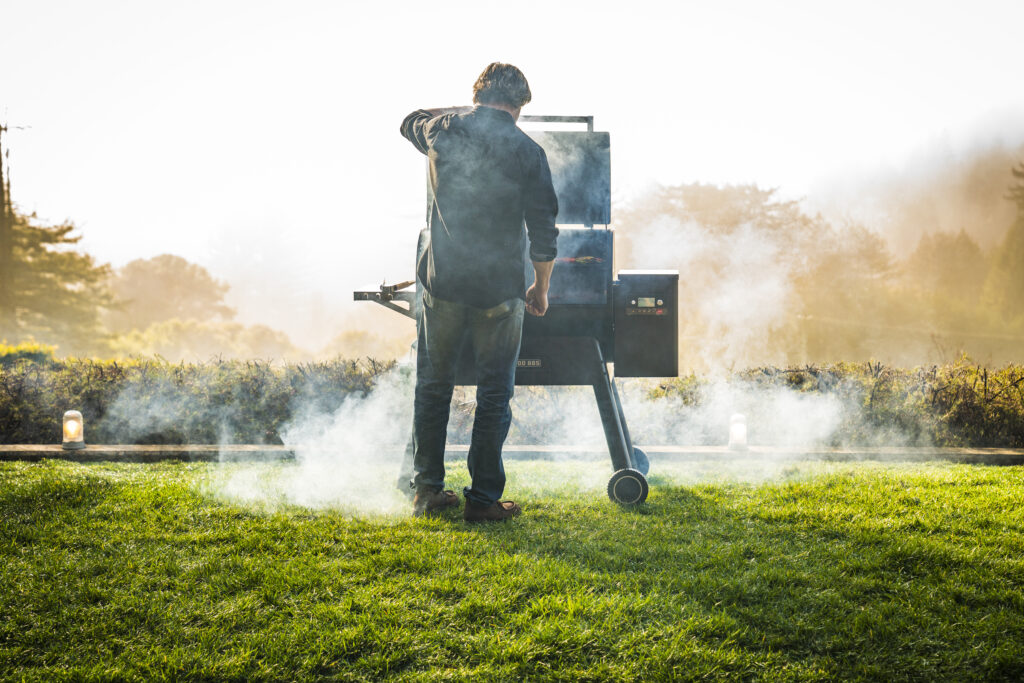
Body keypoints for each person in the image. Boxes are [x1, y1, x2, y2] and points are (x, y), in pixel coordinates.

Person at [399, 62, 559, 522]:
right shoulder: (528, 151)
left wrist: (466, 111)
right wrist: (540, 288)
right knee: (493, 395)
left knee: (432, 388)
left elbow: (409, 118)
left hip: (443, 285)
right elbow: (544, 232)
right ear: (520, 106)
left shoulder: (440, 130)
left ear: (477, 95)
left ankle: (427, 492)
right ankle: (484, 500)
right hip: (498, 294)